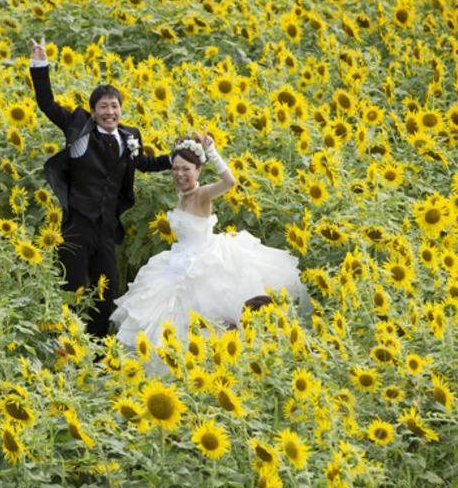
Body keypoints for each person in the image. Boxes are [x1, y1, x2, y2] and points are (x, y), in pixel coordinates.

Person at [29, 37, 172, 338]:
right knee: (71, 286)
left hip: (107, 226)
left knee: (105, 290)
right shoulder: (79, 127)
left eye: (114, 106)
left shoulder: (130, 136)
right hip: (78, 222)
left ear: (121, 109)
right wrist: (40, 65)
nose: (110, 112)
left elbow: (142, 164)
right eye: (103, 107)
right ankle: (64, 344)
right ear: (93, 111)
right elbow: (46, 104)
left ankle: (96, 351)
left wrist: (180, 156)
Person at [110, 130, 307, 347]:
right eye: (175, 169)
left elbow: (230, 182)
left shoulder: (202, 194)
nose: (179, 174)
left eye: (186, 169)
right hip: (178, 259)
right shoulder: (182, 195)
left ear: (199, 170)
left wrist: (211, 151)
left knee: (206, 317)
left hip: (204, 261)